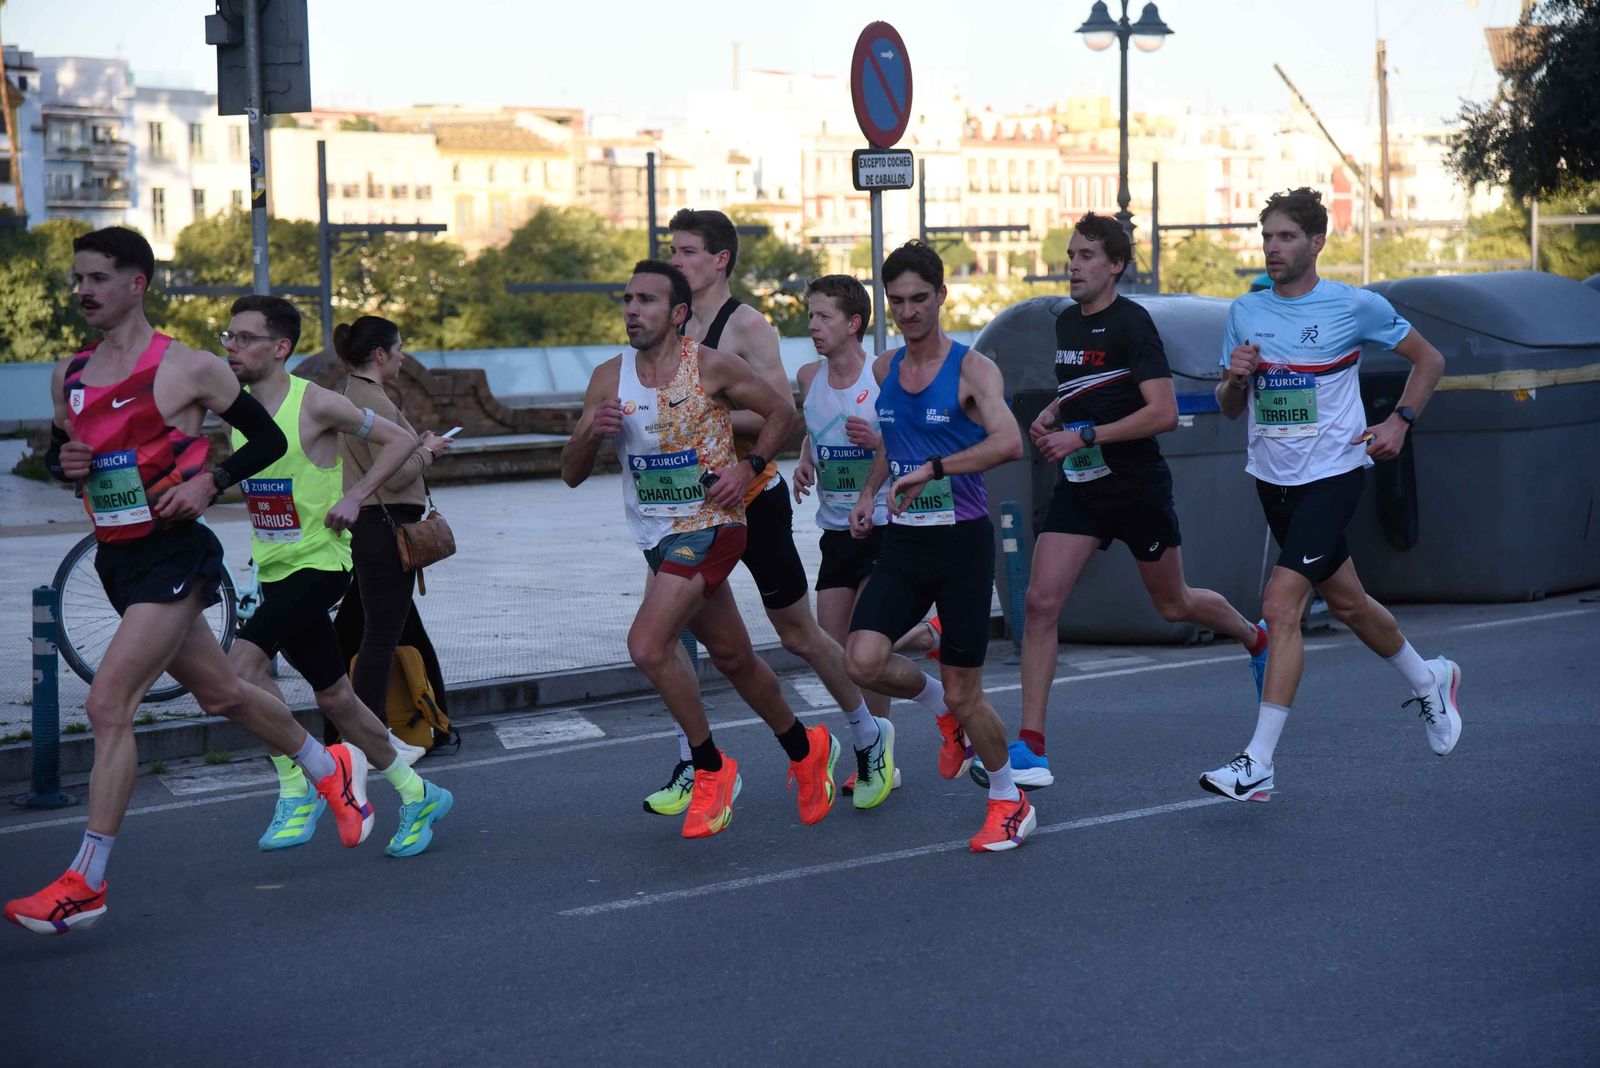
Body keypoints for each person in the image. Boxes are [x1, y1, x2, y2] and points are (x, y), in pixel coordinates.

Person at [5, 228, 369, 935]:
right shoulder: (70, 376)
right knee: (222, 692)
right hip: (117, 559)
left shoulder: (189, 367)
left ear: (137, 283)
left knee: (109, 704)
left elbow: (265, 439)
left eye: (98, 278)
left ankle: (87, 880)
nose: (83, 290)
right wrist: (65, 465)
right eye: (78, 279)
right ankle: (332, 771)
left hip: (176, 556)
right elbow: (61, 458)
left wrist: (211, 481)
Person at [985, 213, 1270, 791]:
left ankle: (1254, 637)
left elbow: (1162, 413)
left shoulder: (1133, 323)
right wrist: (1052, 414)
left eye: (1088, 255)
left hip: (1136, 487)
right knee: (1041, 603)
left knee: (1174, 604)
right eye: (1071, 255)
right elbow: (1084, 393)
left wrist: (1084, 436)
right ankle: (1032, 747)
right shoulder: (1066, 325)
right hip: (1083, 488)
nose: (1074, 265)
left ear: (1116, 264)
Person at [561, 260, 838, 838]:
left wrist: (751, 466)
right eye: (629, 298)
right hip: (656, 535)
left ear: (678, 314)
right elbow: (570, 473)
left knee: (646, 644)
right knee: (735, 657)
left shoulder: (709, 366)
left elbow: (782, 411)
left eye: (648, 301)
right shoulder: (609, 378)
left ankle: (710, 767)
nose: (633, 310)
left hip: (712, 523)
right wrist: (590, 432)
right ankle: (805, 745)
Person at [1202, 187, 1462, 802]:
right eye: (1266, 237)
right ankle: (1430, 679)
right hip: (1274, 479)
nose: (1273, 248)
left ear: (1317, 242)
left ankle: (1258, 760)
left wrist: (1400, 420)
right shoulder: (1244, 311)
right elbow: (1229, 406)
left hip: (1335, 473)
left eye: (1286, 237)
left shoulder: (1353, 306)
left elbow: (1430, 360)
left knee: (1279, 606)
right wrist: (1236, 379)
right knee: (1348, 603)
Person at [630, 209, 869, 818]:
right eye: (673, 251)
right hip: (682, 510)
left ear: (719, 260)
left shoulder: (747, 328)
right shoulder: (661, 327)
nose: (677, 261)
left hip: (750, 497)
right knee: (667, 637)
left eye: (687, 252)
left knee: (797, 633)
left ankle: (867, 735)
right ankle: (693, 760)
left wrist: (704, 412)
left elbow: (776, 413)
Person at [222, 295, 454, 858]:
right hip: (275, 567)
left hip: (321, 563)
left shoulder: (317, 402)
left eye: (245, 337)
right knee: (338, 699)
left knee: (240, 670)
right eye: (226, 336)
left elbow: (400, 441)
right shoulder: (235, 408)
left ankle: (302, 782)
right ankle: (417, 791)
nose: (230, 346)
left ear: (280, 348)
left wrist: (355, 496)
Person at [843, 241, 1037, 853]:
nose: (908, 311)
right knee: (861, 660)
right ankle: (943, 714)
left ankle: (1010, 798)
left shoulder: (973, 370)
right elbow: (888, 441)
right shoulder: (882, 369)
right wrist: (870, 493)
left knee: (966, 689)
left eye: (919, 299)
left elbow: (1009, 444)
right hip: (904, 542)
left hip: (962, 547)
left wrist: (934, 468)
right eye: (896, 301)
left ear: (941, 297)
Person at [789, 274, 902, 809]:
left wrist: (880, 442)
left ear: (853, 324)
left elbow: (907, 440)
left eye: (824, 316)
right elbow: (816, 426)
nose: (813, 325)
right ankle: (922, 638)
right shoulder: (808, 375)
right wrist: (806, 460)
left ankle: (878, 754)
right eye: (810, 315)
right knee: (829, 648)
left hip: (881, 524)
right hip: (835, 530)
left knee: (864, 648)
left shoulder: (881, 375)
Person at [333, 316, 453, 729]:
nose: (404, 355)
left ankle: (351, 728)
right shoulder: (374, 400)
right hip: (385, 527)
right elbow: (398, 474)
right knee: (379, 639)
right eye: (399, 348)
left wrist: (415, 446)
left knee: (355, 632)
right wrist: (429, 452)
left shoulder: (351, 392)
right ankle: (372, 734)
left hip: (372, 526)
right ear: (380, 354)